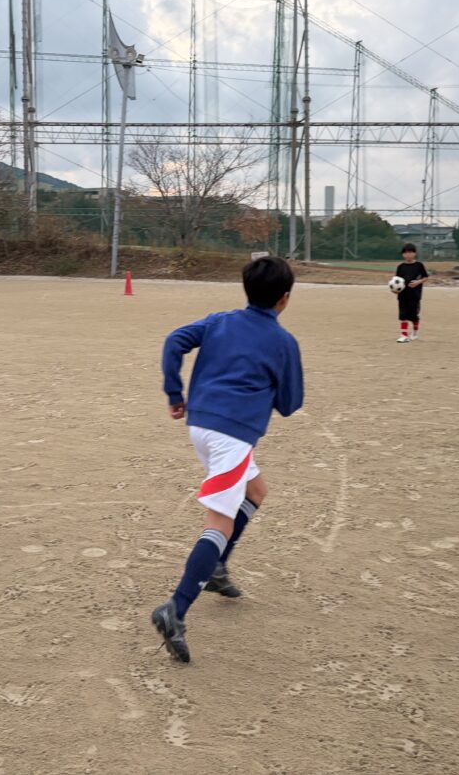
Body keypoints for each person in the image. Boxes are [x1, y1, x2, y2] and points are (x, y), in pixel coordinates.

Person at [151, 256, 304, 663]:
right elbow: (290, 404)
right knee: (220, 521)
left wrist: (175, 394)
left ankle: (216, 568)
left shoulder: (219, 322)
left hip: (201, 425)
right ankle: (176, 609)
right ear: (285, 298)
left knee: (256, 492)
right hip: (231, 438)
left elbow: (174, 340)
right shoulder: (283, 342)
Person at [395, 242, 430, 343]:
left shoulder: (419, 265)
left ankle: (414, 332)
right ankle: (404, 335)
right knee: (403, 315)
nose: (408, 255)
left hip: (414, 295)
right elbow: (396, 281)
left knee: (414, 316)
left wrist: (418, 282)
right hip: (402, 295)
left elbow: (426, 277)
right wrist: (395, 290)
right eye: (405, 253)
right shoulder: (400, 267)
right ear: (403, 254)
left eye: (410, 252)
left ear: (414, 253)